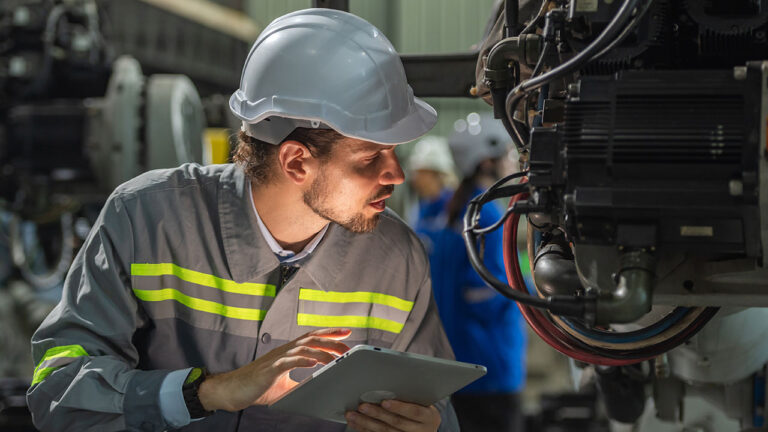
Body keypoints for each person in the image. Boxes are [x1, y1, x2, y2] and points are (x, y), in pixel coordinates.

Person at [26, 9, 458, 432]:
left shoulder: (399, 259)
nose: (396, 175)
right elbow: (56, 392)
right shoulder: (146, 220)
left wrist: (428, 426)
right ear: (295, 162)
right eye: (371, 157)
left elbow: (434, 407)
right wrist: (209, 392)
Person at [412, 113, 528, 432]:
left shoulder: (458, 211)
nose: (511, 162)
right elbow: (492, 292)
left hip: (458, 364)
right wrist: (529, 290)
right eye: (505, 155)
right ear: (484, 162)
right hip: (490, 365)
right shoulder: (486, 212)